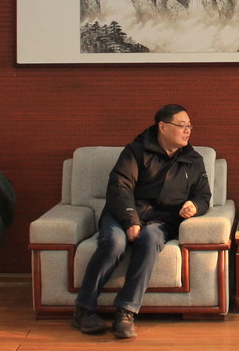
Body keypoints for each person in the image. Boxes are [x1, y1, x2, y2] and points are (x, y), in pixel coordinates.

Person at [72, 104, 212, 338]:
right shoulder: (135, 151)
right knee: (114, 242)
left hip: (161, 221)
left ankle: (126, 312)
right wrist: (130, 221)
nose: (187, 130)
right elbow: (120, 187)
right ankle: (83, 309)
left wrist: (195, 206)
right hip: (122, 213)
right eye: (182, 125)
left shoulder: (193, 159)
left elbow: (203, 195)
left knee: (149, 239)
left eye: (190, 126)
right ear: (163, 127)